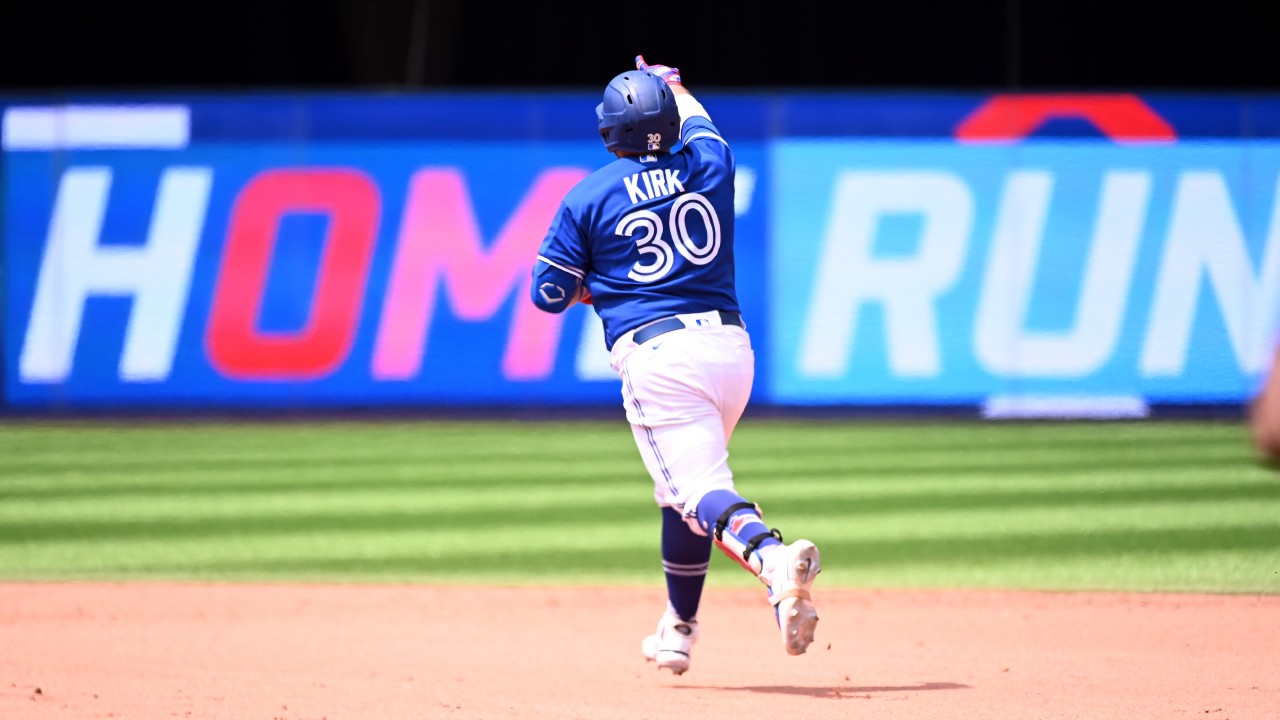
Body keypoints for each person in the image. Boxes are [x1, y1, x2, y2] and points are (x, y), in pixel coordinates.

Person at [529, 56, 821, 675]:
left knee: (699, 494)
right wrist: (675, 86)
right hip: (730, 351)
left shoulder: (587, 196)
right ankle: (678, 627)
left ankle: (772, 560)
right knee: (680, 492)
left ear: (609, 131)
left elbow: (547, 294)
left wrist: (596, 284)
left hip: (660, 358)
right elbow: (704, 128)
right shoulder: (710, 165)